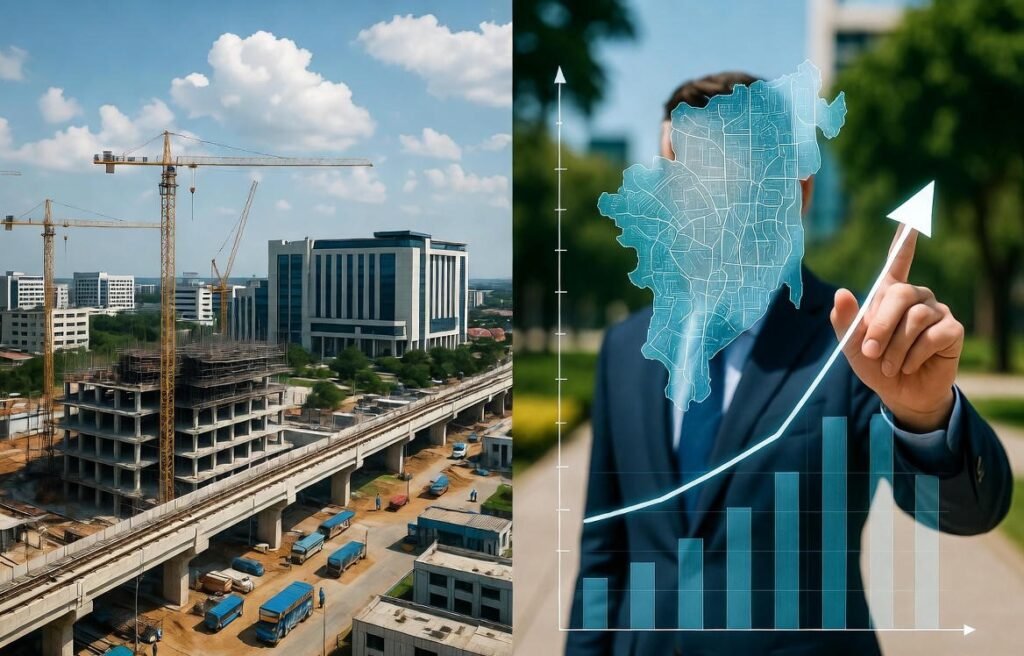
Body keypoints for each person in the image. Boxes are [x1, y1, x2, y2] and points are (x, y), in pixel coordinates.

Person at [567, 72, 1012, 656]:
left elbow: (969, 510)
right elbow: (602, 551)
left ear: (795, 191)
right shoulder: (625, 350)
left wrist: (927, 414)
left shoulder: (854, 342)